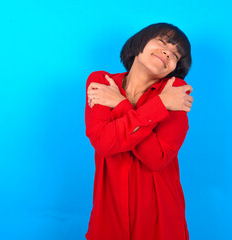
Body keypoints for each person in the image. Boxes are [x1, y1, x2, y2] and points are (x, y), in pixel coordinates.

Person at [84, 22, 193, 240]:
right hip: (109, 216)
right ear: (140, 43)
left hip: (160, 219)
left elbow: (157, 157)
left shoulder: (175, 93)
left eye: (175, 55)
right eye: (163, 42)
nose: (168, 53)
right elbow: (105, 143)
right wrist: (161, 106)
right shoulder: (101, 81)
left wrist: (120, 104)